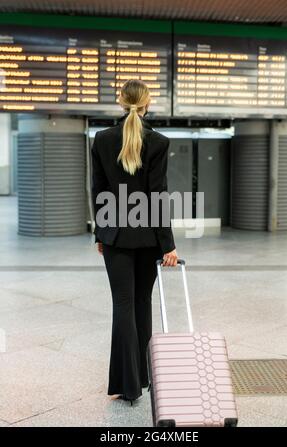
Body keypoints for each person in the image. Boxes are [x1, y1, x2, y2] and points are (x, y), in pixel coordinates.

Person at [91, 79, 178, 404]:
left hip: (115, 235)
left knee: (123, 305)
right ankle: (144, 376)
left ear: (120, 101)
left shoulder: (101, 140)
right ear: (147, 103)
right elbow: (158, 196)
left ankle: (128, 386)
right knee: (142, 303)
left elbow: (98, 192)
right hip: (148, 238)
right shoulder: (158, 141)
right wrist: (167, 244)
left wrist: (102, 232)